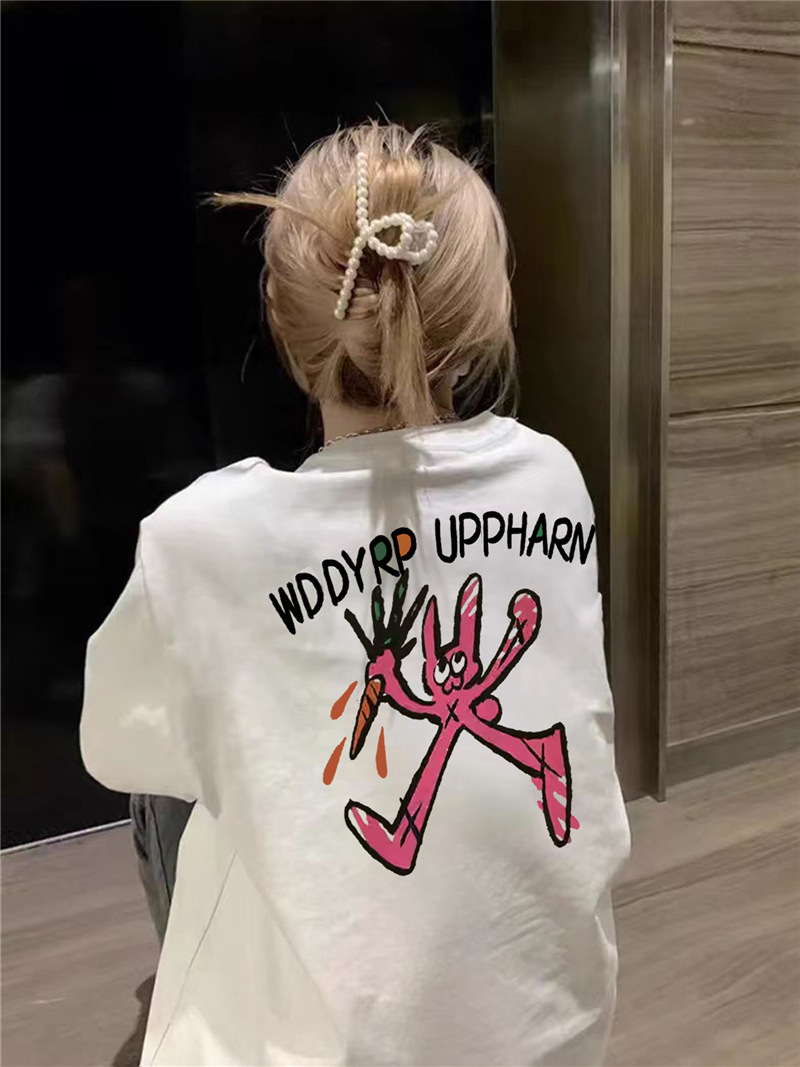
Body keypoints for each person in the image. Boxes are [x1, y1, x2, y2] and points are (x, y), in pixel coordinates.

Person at [81, 123, 630, 1067]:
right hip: (562, 1031)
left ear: (283, 318)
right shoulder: (553, 475)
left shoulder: (202, 537)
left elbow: (116, 747)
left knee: (177, 779)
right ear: (488, 309)